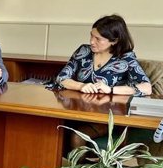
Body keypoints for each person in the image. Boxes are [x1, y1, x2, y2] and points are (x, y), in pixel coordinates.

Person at [55, 14, 151, 148]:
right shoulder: (84, 51)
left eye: (98, 39)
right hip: (77, 111)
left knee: (77, 137)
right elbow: (61, 78)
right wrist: (81, 86)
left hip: (106, 117)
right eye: (91, 36)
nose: (92, 41)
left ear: (114, 41)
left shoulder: (126, 58)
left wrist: (110, 90)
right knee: (52, 129)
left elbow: (146, 87)